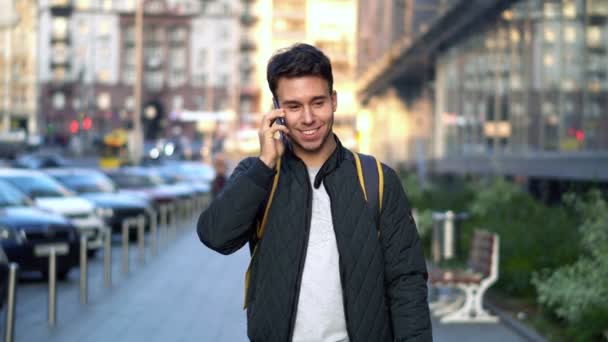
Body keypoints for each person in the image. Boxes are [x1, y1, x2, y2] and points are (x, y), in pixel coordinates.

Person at [197, 43, 432, 342]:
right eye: (294, 106)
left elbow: (406, 281)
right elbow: (216, 236)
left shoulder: (376, 179)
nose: (308, 118)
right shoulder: (257, 175)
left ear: (334, 100)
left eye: (317, 102)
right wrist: (265, 163)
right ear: (276, 111)